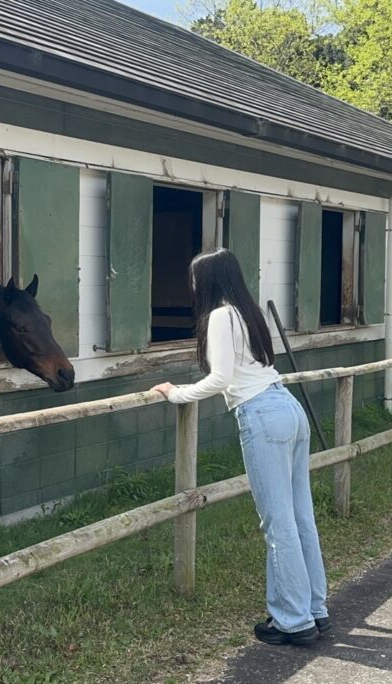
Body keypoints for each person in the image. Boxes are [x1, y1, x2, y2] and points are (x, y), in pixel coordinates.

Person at [151, 248, 330, 646]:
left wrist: (175, 393)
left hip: (262, 413)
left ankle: (293, 620)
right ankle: (315, 607)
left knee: (278, 521)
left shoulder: (218, 315)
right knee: (300, 515)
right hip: (287, 405)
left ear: (209, 280)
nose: (193, 287)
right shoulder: (249, 311)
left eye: (196, 279)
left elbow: (220, 378)